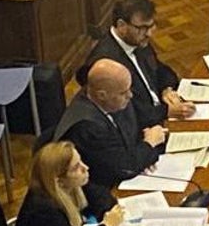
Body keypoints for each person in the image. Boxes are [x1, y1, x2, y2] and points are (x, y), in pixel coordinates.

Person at [77, 0, 195, 126]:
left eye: (151, 26)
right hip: (146, 127)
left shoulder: (138, 40)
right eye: (142, 28)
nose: (149, 33)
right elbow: (125, 112)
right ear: (121, 25)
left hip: (163, 111)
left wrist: (166, 89)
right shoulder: (106, 64)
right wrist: (166, 112)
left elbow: (159, 69)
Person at [53, 59, 166, 187]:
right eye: (123, 92)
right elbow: (125, 168)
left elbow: (140, 122)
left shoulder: (110, 98)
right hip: (98, 189)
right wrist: (150, 143)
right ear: (102, 95)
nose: (130, 95)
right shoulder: (87, 127)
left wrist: (144, 157)